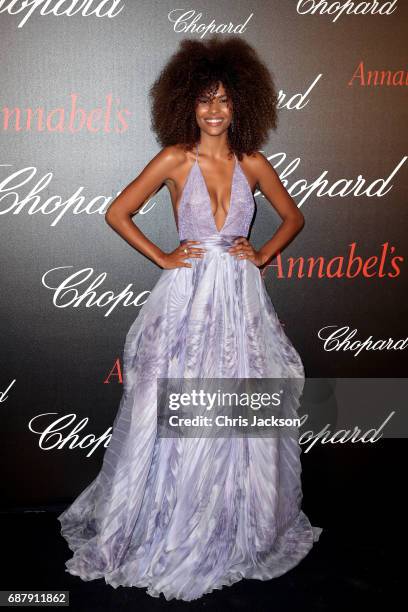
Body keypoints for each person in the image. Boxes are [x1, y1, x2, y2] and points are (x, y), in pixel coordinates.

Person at [58, 36, 322, 601]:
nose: (214, 111)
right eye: (205, 99)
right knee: (173, 404)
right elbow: (118, 211)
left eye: (224, 100)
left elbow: (293, 217)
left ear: (240, 104)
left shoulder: (253, 161)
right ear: (187, 103)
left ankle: (232, 523)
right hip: (187, 301)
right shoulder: (176, 158)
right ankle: (170, 523)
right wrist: (164, 256)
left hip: (240, 300)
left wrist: (263, 252)